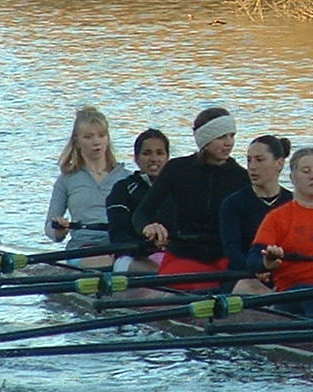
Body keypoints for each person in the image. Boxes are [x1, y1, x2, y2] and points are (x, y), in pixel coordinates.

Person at [133, 106, 249, 289]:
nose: (229, 143)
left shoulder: (241, 177)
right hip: (184, 254)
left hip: (225, 257)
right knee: (205, 287)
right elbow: (141, 213)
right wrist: (148, 227)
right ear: (204, 139)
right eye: (221, 137)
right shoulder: (177, 170)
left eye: (232, 136)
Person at [248, 147, 313, 313]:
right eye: (306, 171)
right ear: (292, 178)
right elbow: (254, 259)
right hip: (293, 292)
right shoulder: (277, 217)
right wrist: (267, 262)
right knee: (310, 295)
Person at [44, 106, 131, 268]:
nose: (96, 142)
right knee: (114, 262)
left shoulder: (126, 177)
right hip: (82, 248)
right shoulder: (66, 180)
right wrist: (58, 230)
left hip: (119, 246)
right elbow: (50, 226)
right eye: (88, 137)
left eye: (101, 135)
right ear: (77, 141)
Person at [220, 135, 293, 294]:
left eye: (259, 160)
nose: (252, 167)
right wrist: (256, 269)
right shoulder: (232, 204)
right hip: (243, 276)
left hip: (285, 274)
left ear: (279, 163)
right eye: (249, 160)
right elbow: (232, 249)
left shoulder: (292, 202)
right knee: (250, 287)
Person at [106, 128, 170, 273]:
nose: (154, 159)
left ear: (167, 157)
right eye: (147, 153)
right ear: (136, 158)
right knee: (163, 273)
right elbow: (118, 235)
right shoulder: (122, 189)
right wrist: (148, 244)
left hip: (170, 254)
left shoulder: (178, 188)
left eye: (159, 153)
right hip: (131, 256)